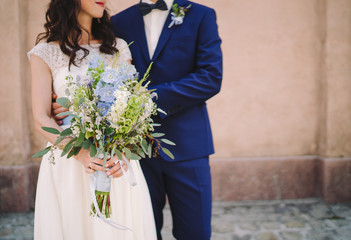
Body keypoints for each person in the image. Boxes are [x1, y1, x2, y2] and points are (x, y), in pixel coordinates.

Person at [28, 0, 157, 239]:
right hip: (69, 159)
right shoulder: (45, 53)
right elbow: (40, 116)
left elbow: (129, 106)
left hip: (114, 159)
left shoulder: (117, 48)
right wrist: (78, 152)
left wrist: (122, 151)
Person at [111, 0, 223, 239]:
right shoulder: (118, 22)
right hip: (135, 149)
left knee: (196, 233)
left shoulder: (201, 16)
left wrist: (151, 98)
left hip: (189, 145)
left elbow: (210, 77)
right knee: (143, 232)